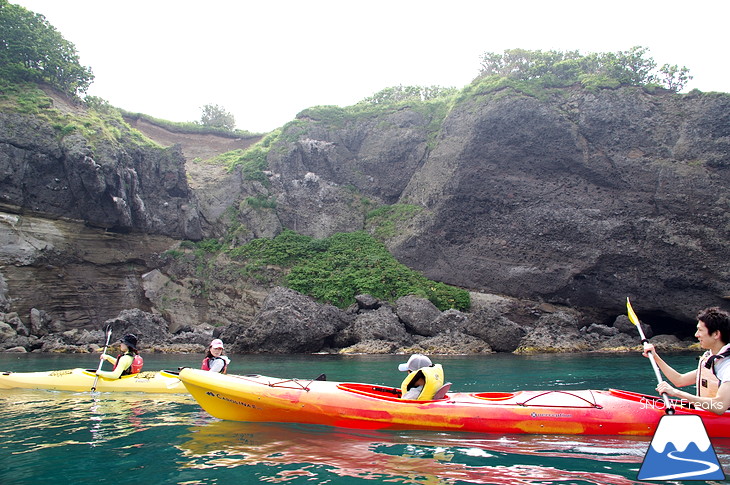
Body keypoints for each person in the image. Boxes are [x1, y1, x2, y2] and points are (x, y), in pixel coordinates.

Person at [642, 306, 730, 415]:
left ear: (716, 334)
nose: (696, 335)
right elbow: (680, 380)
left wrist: (676, 393)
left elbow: (719, 406)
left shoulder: (728, 366)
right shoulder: (712, 359)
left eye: (700, 330)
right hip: (705, 415)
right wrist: (655, 357)